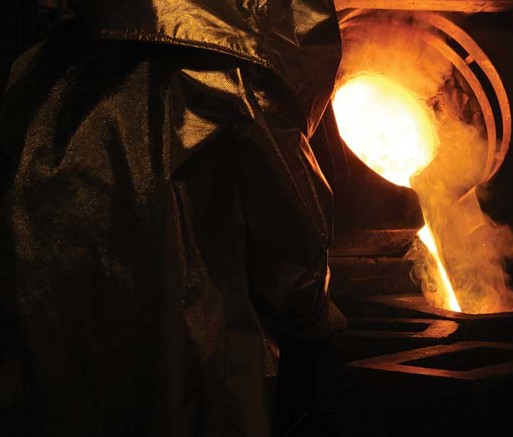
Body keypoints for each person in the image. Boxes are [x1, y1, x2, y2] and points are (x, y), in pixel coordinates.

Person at [0, 1, 346, 436]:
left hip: (48, 381)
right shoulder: (240, 81)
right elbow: (292, 259)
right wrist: (322, 324)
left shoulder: (36, 70)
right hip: (192, 381)